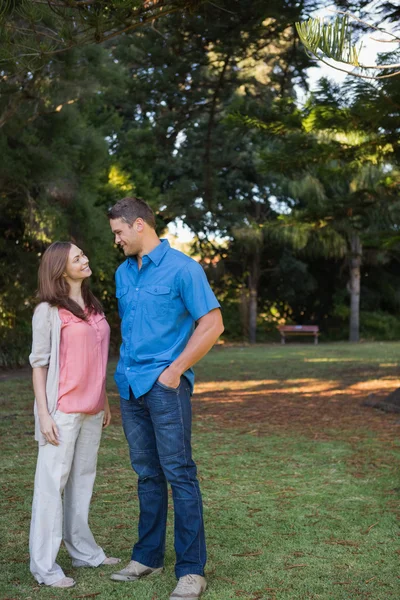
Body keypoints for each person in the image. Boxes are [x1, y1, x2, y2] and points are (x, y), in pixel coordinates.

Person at [108, 197, 224, 600]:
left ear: (140, 225)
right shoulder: (123, 273)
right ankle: (148, 556)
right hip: (129, 386)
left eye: (119, 232)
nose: (117, 240)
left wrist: (174, 372)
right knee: (147, 474)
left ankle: (191, 570)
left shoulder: (184, 269)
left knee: (179, 473)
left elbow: (212, 323)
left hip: (164, 388)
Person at [29, 241, 120, 588]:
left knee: (83, 482)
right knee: (52, 486)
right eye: (77, 257)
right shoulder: (48, 310)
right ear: (59, 269)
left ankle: (83, 551)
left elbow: (96, 358)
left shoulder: (93, 306)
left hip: (93, 410)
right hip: (62, 412)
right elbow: (39, 366)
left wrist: (105, 399)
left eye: (84, 254)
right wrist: (44, 415)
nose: (85, 259)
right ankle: (45, 566)